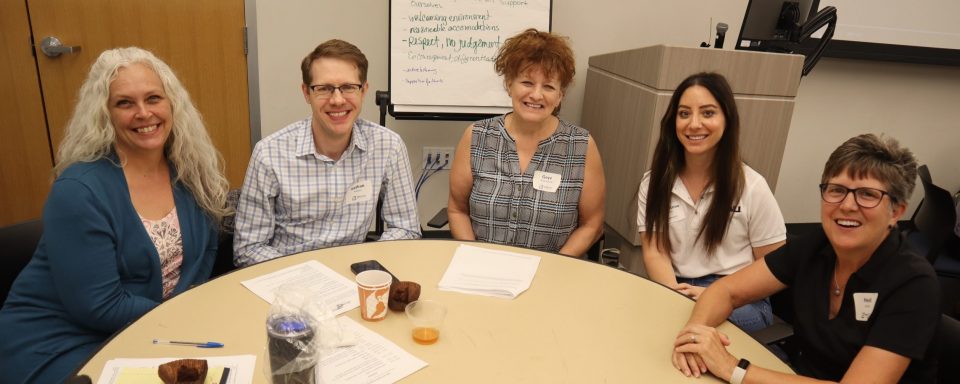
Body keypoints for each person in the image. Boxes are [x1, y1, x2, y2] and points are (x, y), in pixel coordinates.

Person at [0, 47, 228, 383]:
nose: (143, 113)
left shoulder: (189, 171)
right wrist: (182, 318)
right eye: (125, 103)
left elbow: (205, 252)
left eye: (153, 98)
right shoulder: (78, 190)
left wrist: (184, 318)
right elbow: (98, 306)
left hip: (149, 329)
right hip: (60, 340)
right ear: (105, 113)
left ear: (171, 104)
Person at [672, 134, 940, 383]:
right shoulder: (817, 244)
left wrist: (734, 368)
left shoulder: (914, 284)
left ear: (896, 212)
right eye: (836, 190)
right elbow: (727, 290)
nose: (847, 205)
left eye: (867, 194)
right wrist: (695, 336)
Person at [234, 39, 420, 267]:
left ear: (364, 91)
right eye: (323, 88)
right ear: (306, 93)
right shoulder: (269, 153)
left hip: (355, 273)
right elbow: (248, 249)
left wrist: (366, 263)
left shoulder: (388, 146)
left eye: (348, 87)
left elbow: (405, 228)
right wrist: (309, 273)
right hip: (288, 279)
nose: (337, 100)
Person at [637, 72, 786, 332]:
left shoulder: (752, 187)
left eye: (707, 113)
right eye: (684, 114)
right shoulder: (654, 182)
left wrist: (715, 294)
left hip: (740, 299)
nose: (694, 124)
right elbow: (655, 251)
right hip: (677, 287)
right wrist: (674, 293)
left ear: (727, 119)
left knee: (686, 326)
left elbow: (776, 266)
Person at [447, 28, 605, 257]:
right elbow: (457, 209)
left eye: (549, 87)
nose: (536, 95)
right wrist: (474, 256)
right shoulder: (477, 136)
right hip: (481, 267)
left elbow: (592, 224)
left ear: (560, 95)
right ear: (509, 84)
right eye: (527, 82)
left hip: (553, 273)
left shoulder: (581, 145)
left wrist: (556, 265)